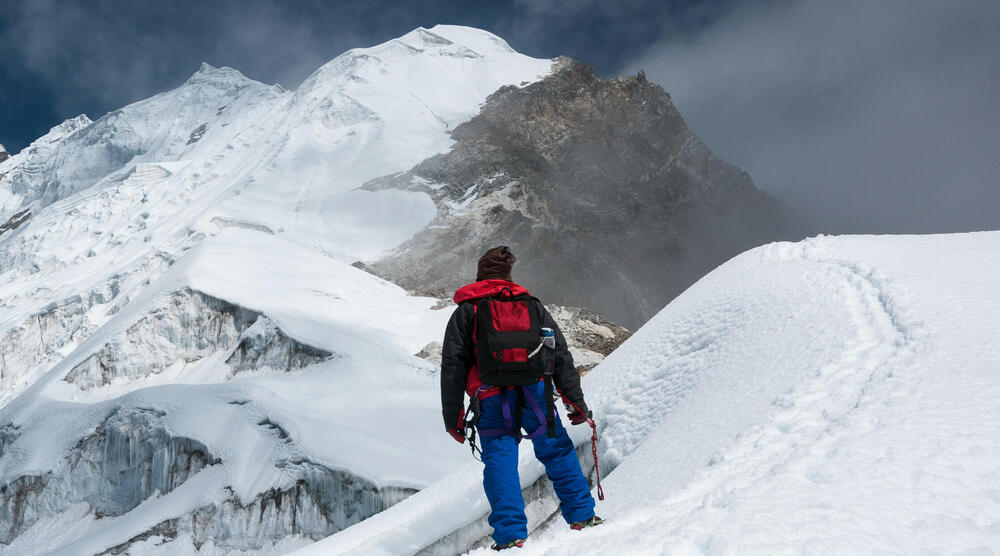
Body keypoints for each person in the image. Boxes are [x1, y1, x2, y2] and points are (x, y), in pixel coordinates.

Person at [440, 246, 603, 551]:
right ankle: (583, 515)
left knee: (501, 462)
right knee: (557, 451)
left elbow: (452, 365)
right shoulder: (532, 307)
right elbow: (560, 355)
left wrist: (453, 417)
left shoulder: (467, 311)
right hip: (536, 393)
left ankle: (511, 534)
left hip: (490, 399)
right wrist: (575, 402)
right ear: (508, 276)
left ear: (481, 276)